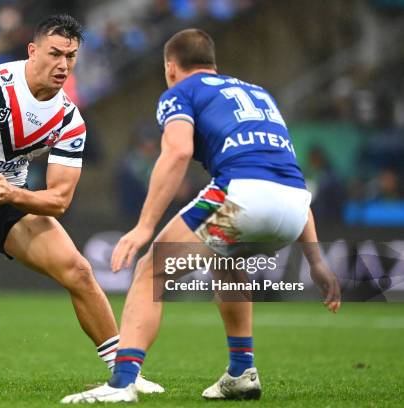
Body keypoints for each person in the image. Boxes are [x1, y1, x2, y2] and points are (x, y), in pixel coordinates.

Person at [61, 28, 341, 403]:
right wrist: (316, 261)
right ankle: (242, 371)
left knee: (150, 271)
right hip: (295, 206)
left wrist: (144, 226)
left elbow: (177, 152)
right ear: (212, 63)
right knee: (227, 261)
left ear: (170, 67)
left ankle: (122, 382)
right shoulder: (260, 94)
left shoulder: (180, 92)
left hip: (242, 198)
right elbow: (283, 174)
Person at [0, 14, 162, 394]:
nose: (63, 65)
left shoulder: (69, 119)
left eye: (71, 57)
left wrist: (13, 194)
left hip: (10, 197)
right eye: (55, 54)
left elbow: (59, 199)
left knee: (78, 270)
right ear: (33, 51)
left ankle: (125, 372)